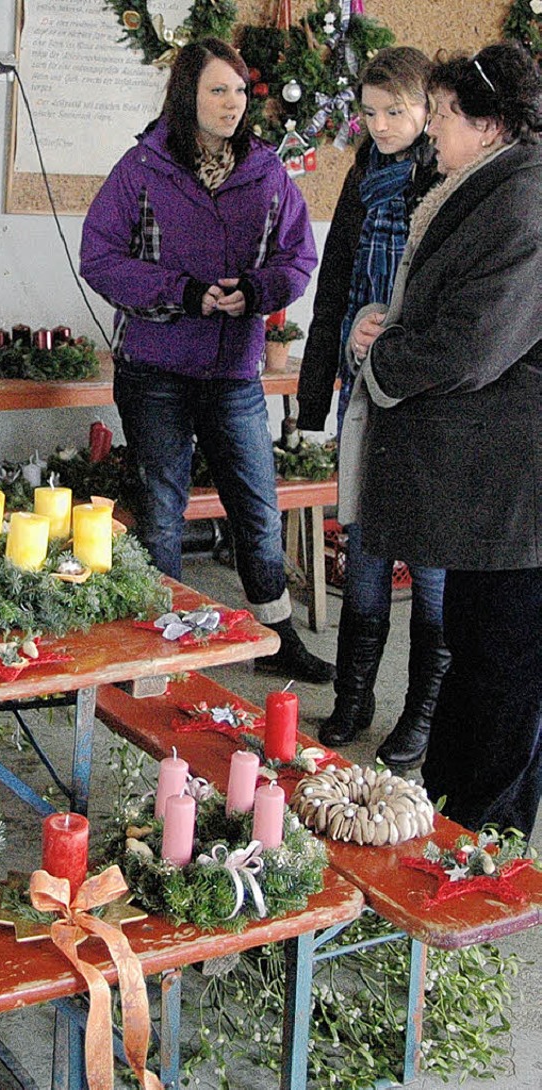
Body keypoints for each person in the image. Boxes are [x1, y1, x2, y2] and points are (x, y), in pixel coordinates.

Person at [80, 37, 334, 684]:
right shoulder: (141, 168)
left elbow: (297, 258)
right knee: (162, 512)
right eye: (218, 90)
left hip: (233, 372)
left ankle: (275, 637)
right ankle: (162, 646)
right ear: (187, 95)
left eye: (241, 91)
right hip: (155, 370)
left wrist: (255, 291)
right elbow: (101, 257)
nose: (232, 103)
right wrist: (183, 293)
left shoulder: (267, 172)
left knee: (256, 505)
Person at [346, 42, 542, 840]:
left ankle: (484, 858)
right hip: (488, 492)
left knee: (503, 679)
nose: (433, 131)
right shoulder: (492, 184)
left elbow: (472, 342)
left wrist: (381, 354)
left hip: (517, 495)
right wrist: (383, 325)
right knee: (477, 659)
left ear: (490, 124)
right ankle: (453, 830)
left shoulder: (525, 201)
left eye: (448, 115)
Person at [297, 47, 449, 765]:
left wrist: (393, 325)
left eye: (397, 111)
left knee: (430, 561)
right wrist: (351, 332)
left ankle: (423, 711)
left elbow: (449, 296)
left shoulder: (447, 178)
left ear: (429, 111)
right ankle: (353, 698)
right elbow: (338, 279)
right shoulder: (363, 173)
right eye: (370, 111)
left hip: (429, 398)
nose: (381, 124)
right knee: (363, 544)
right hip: (365, 387)